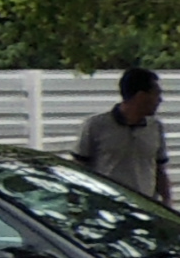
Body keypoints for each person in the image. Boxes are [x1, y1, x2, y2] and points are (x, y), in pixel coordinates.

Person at [72, 68, 169, 201]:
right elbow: (79, 167)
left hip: (145, 208)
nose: (160, 100)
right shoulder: (96, 125)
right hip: (107, 207)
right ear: (141, 96)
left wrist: (167, 203)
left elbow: (160, 170)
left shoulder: (155, 127)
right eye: (156, 94)